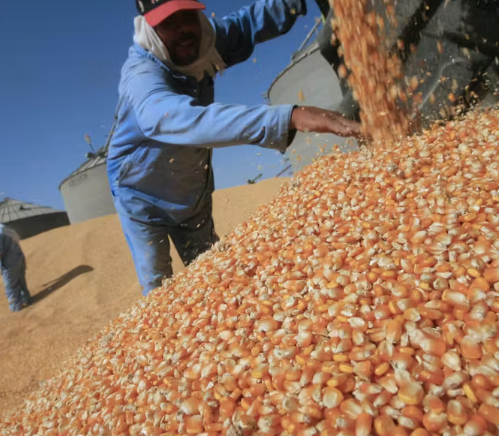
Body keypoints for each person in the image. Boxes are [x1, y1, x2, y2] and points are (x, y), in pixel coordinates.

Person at [108, 0, 362, 296]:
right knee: (159, 288)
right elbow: (172, 117)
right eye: (168, 23)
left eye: (187, 16)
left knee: (214, 277)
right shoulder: (142, 74)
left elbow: (249, 23)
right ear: (150, 26)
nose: (183, 30)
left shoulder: (206, 39)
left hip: (192, 187)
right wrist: (287, 116)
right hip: (142, 196)